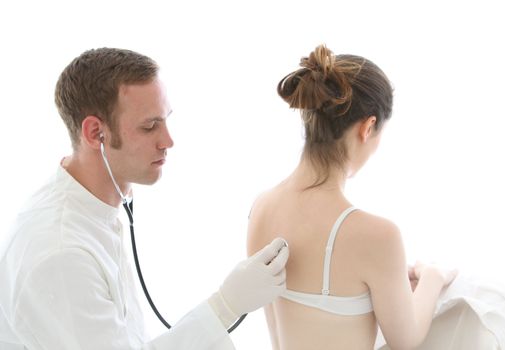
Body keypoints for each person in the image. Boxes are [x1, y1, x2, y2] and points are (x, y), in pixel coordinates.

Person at [0, 47, 289, 350]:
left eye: (165, 121)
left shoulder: (95, 208)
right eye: (150, 126)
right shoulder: (59, 255)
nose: (168, 141)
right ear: (95, 132)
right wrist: (225, 306)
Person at [246, 45, 459, 350]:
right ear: (368, 127)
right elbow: (406, 339)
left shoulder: (261, 207)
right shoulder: (377, 234)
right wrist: (433, 277)